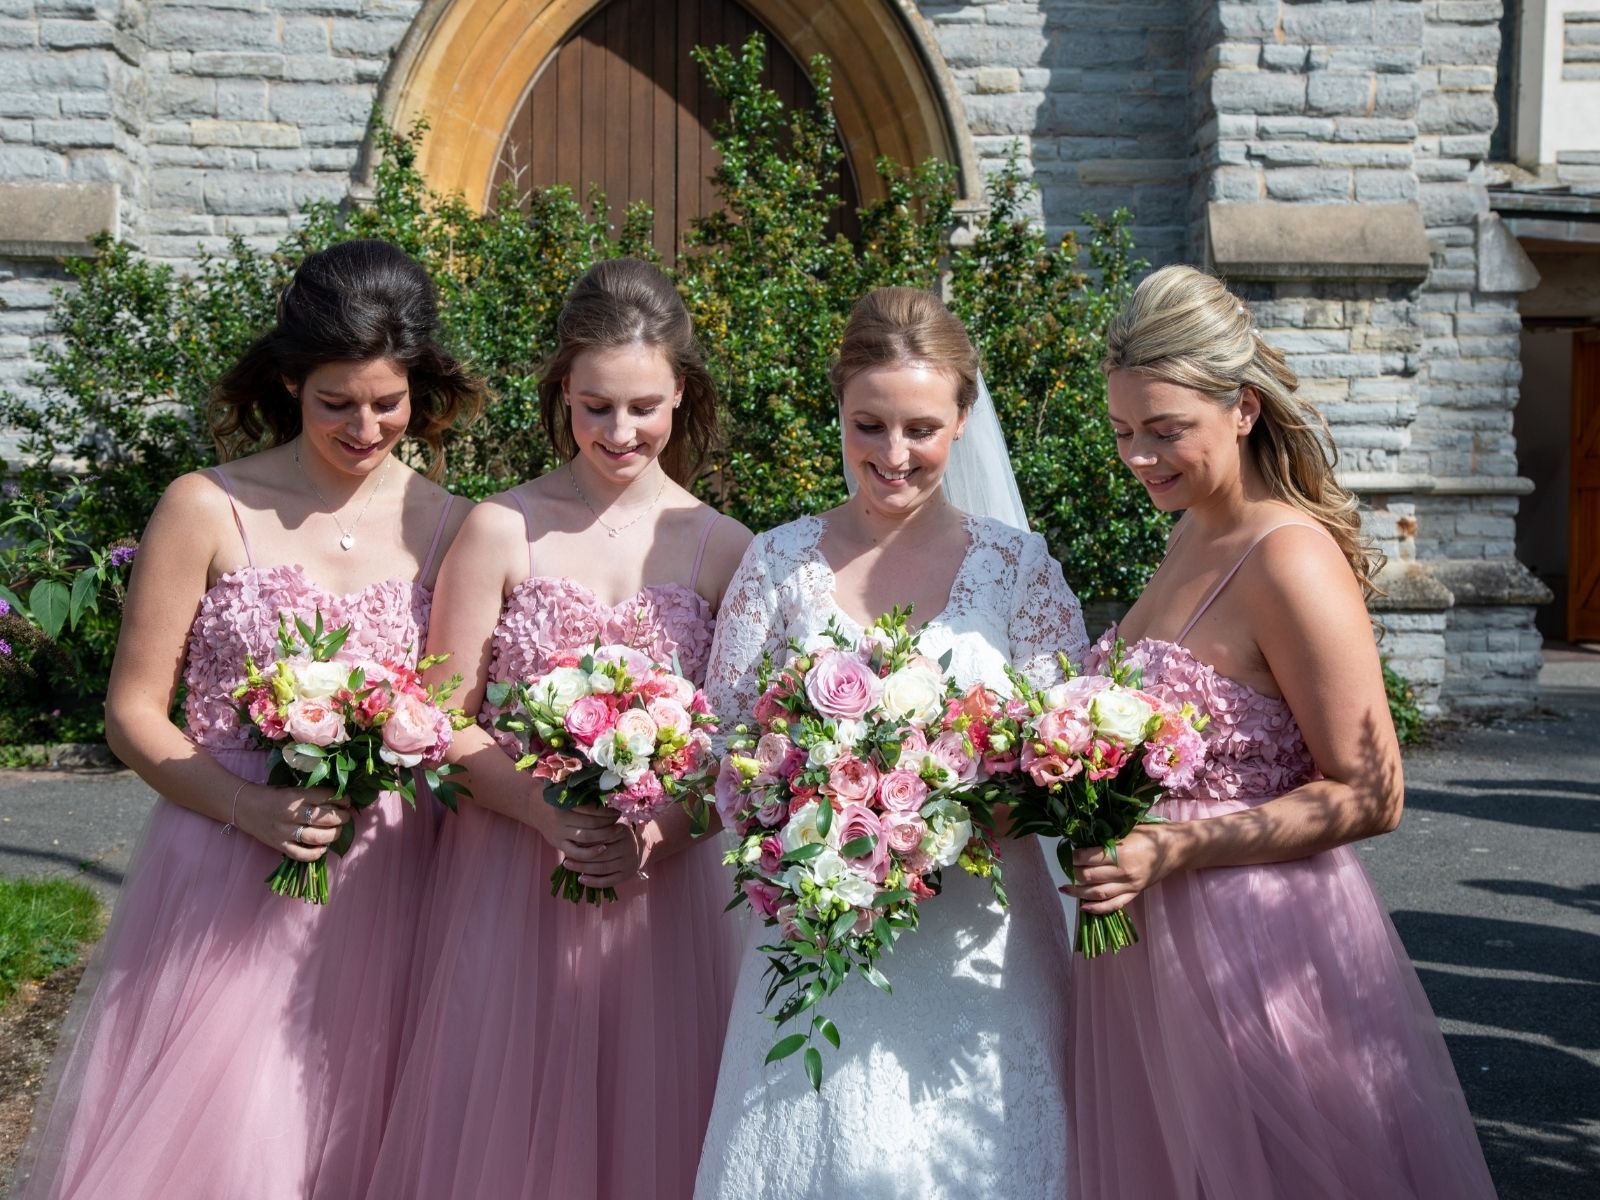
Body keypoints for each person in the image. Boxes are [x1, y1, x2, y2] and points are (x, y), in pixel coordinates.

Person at [13, 239, 482, 1200]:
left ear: (419, 388)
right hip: (224, 869)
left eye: (387, 403)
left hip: (391, 874)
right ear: (287, 380)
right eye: (335, 402)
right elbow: (132, 715)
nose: (364, 427)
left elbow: (452, 714)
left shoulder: (451, 525)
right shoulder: (203, 506)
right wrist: (249, 807)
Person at [1065, 264, 1497, 1199]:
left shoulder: (1288, 555)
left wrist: (1171, 846)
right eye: (1124, 431)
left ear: (1245, 409)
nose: (1140, 457)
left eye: (1167, 430)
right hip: (1148, 945)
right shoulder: (1186, 532)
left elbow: (1373, 794)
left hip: (1257, 947)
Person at [365, 257, 751, 1200]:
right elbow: (440, 720)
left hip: (664, 896)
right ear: (562, 395)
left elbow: (744, 747)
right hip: (513, 879)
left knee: (659, 1118)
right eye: (595, 407)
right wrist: (548, 814)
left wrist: (656, 834)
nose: (621, 433)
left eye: (644, 407)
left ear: (682, 396)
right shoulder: (503, 528)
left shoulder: (724, 546)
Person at [693, 287, 1087, 1199]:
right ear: (838, 408)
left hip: (981, 945)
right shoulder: (778, 562)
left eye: (921, 428)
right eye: (868, 425)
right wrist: (809, 816)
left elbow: (1062, 752)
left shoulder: (1017, 568)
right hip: (814, 935)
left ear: (962, 422)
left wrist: (946, 811)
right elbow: (726, 745)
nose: (893, 455)